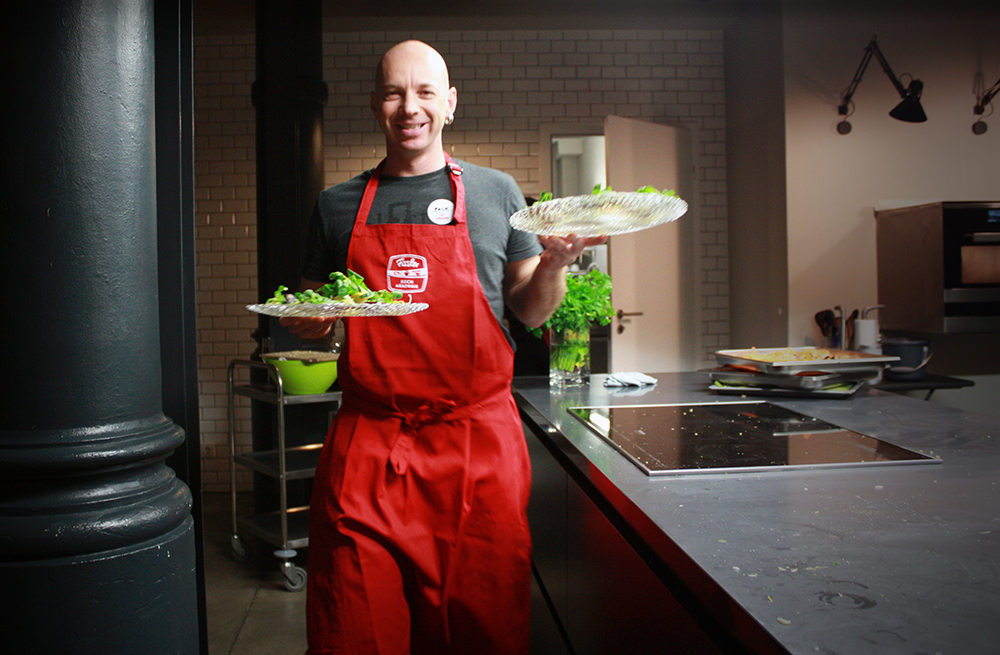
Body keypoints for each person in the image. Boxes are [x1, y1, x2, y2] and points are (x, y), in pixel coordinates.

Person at [283, 40, 604, 654]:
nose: (411, 107)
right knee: (354, 623)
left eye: (425, 91)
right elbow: (315, 305)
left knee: (477, 625)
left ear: (449, 103)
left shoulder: (496, 193)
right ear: (375, 105)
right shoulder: (336, 204)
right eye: (394, 92)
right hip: (368, 443)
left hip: (475, 448)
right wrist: (312, 323)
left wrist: (556, 264)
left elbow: (529, 309)